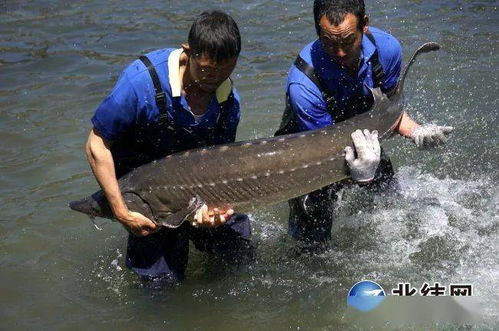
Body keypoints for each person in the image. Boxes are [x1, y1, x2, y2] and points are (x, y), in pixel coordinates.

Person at [85, 10, 252, 282]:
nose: (215, 79)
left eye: (226, 70)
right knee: (159, 286)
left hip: (197, 184)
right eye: (208, 70)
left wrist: (214, 212)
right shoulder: (141, 82)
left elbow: (222, 169)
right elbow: (96, 144)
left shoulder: (228, 103)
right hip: (147, 190)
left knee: (238, 258)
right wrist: (120, 210)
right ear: (188, 52)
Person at [276, 0, 453, 247]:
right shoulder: (303, 84)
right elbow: (326, 156)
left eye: (348, 41)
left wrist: (416, 131)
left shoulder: (387, 49)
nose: (339, 52)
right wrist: (358, 176)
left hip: (362, 138)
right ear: (318, 31)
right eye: (329, 42)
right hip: (311, 155)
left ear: (365, 26)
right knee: (311, 245)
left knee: (393, 212)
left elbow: (388, 111)